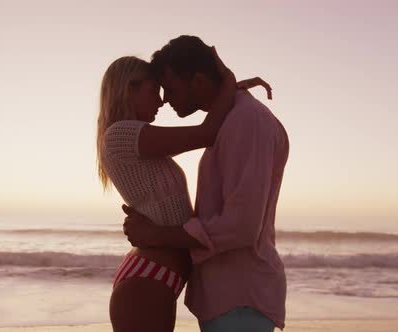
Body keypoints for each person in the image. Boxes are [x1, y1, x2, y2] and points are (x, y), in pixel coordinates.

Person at [122, 35, 289, 332]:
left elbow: (241, 226)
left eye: (170, 89)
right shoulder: (229, 119)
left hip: (240, 298)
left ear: (198, 81)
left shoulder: (247, 121)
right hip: (225, 296)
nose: (165, 100)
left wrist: (156, 235)